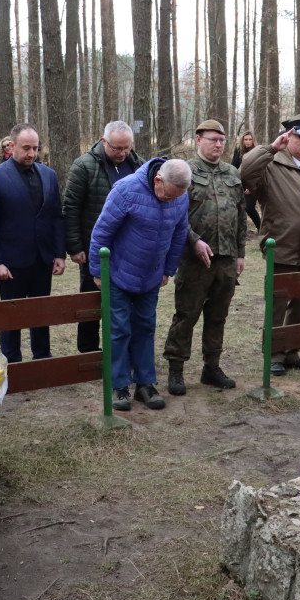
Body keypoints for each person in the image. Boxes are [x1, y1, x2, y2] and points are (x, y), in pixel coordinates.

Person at [89, 158, 190, 411]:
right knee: (119, 329)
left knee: (146, 327)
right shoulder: (125, 190)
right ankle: (119, 385)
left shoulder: (179, 196)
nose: (171, 201)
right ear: (158, 180)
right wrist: (98, 271)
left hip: (151, 276)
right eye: (168, 195)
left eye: (176, 197)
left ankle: (145, 384)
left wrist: (168, 269)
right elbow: (102, 231)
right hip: (119, 272)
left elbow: (180, 233)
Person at [240, 114, 300, 376]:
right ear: (288, 137)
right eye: (299, 137)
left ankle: (293, 352)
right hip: (281, 245)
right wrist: (271, 148)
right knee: (277, 304)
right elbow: (244, 172)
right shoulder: (271, 165)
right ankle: (274, 353)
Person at [162, 120, 245, 396]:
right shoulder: (183, 171)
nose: (218, 145)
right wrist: (194, 240)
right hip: (194, 260)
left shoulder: (231, 172)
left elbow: (240, 215)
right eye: (213, 140)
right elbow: (174, 214)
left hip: (226, 259)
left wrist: (240, 254)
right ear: (198, 140)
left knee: (218, 316)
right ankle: (176, 368)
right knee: (186, 315)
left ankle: (212, 367)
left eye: (222, 140)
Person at [63, 120, 145, 353]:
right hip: (94, 250)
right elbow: (71, 208)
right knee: (91, 303)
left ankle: (122, 351)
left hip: (129, 251)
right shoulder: (84, 166)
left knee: (127, 305)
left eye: (126, 147)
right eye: (117, 148)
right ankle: (88, 351)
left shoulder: (140, 166)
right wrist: (75, 246)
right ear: (104, 142)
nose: (122, 153)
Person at [0, 124, 66, 362]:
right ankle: (11, 361)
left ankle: (42, 358)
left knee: (40, 313)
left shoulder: (49, 175)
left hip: (43, 259)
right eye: (26, 148)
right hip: (11, 262)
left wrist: (59, 253)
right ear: (11, 146)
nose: (32, 153)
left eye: (35, 148)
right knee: (11, 315)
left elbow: (56, 217)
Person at [231, 131, 261, 230]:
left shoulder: (257, 151)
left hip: (253, 184)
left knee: (249, 208)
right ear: (242, 141)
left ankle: (261, 228)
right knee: (237, 208)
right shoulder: (238, 150)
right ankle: (239, 231)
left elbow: (259, 170)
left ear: (253, 140)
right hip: (239, 183)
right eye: (246, 139)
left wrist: (251, 186)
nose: (248, 142)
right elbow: (233, 166)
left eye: (250, 139)